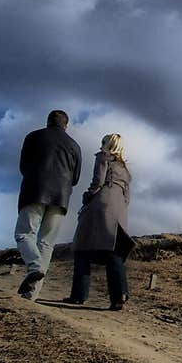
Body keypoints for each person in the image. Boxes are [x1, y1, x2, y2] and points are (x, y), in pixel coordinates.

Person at [15, 110, 82, 300]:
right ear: (65, 125)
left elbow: (23, 166)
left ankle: (34, 266)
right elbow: (75, 178)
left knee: (24, 233)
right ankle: (31, 294)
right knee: (46, 243)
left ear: (48, 121)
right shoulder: (75, 146)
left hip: (34, 191)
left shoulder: (33, 137)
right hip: (61, 197)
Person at [65, 133, 135, 310]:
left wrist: (87, 197)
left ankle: (79, 295)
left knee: (82, 248)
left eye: (103, 142)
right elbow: (127, 196)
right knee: (113, 251)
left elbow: (97, 181)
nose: (100, 145)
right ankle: (119, 294)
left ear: (107, 144)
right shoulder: (125, 169)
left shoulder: (103, 157)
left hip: (100, 204)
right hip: (119, 208)